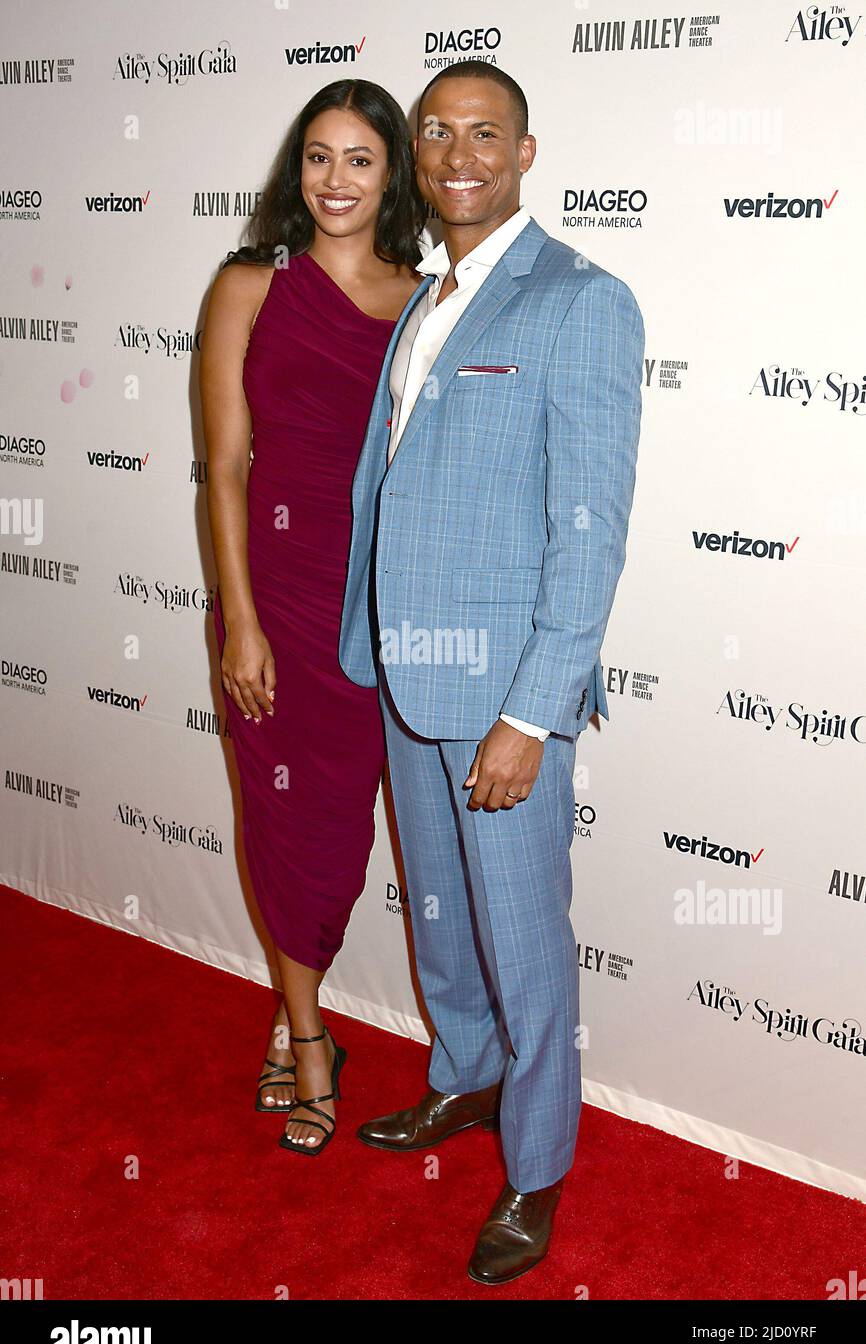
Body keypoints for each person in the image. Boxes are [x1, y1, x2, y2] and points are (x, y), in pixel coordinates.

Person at [338, 61, 644, 1279]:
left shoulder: (581, 299)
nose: (456, 154)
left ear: (524, 151)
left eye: (484, 134)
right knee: (447, 928)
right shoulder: (428, 296)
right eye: (435, 135)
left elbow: (589, 528)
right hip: (412, 670)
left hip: (502, 690)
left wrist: (532, 709)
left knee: (522, 937)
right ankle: (463, 1083)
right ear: (417, 155)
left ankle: (535, 1167)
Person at [201, 80, 424, 1156]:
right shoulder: (250, 285)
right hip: (277, 602)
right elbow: (225, 468)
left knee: (343, 833)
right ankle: (305, 1038)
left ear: (394, 176)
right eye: (317, 157)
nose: (334, 181)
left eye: (359, 160)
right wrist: (240, 620)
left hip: (382, 608)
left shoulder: (428, 297)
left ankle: (299, 1021)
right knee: (290, 825)